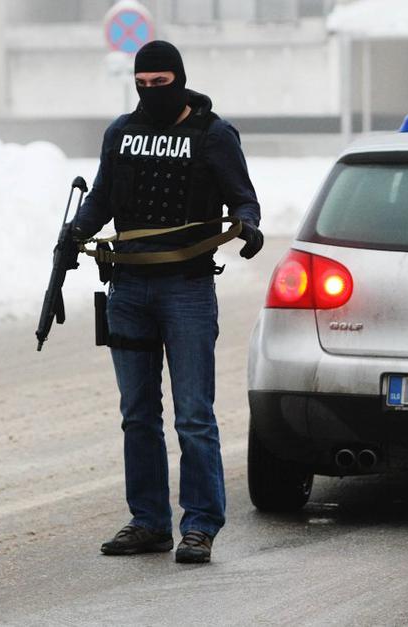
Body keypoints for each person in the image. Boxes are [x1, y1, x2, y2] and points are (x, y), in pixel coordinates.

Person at [70, 40, 264, 563]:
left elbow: (244, 198)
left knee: (193, 416)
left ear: (179, 79)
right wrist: (75, 233)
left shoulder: (213, 134)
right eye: (142, 84)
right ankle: (149, 522)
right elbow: (102, 198)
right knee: (137, 414)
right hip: (128, 288)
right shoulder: (121, 133)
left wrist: (248, 225)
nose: (151, 91)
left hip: (187, 289)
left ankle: (199, 525)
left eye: (160, 83)